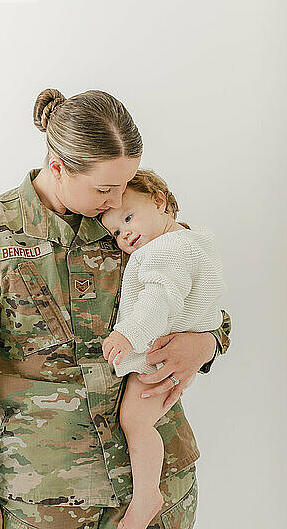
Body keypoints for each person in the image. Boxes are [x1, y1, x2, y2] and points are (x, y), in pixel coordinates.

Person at [0, 88, 232, 529]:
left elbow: (198, 294)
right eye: (105, 188)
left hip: (158, 484)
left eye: (126, 184)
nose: (117, 200)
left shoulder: (132, 220)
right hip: (46, 496)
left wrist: (208, 341)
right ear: (58, 167)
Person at [100, 169, 226, 529]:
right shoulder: (195, 240)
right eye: (116, 232)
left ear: (159, 202)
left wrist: (127, 334)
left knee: (135, 422)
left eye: (128, 218)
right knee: (141, 421)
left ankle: (145, 499)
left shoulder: (164, 252)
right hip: (174, 349)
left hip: (154, 355)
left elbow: (159, 301)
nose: (125, 234)